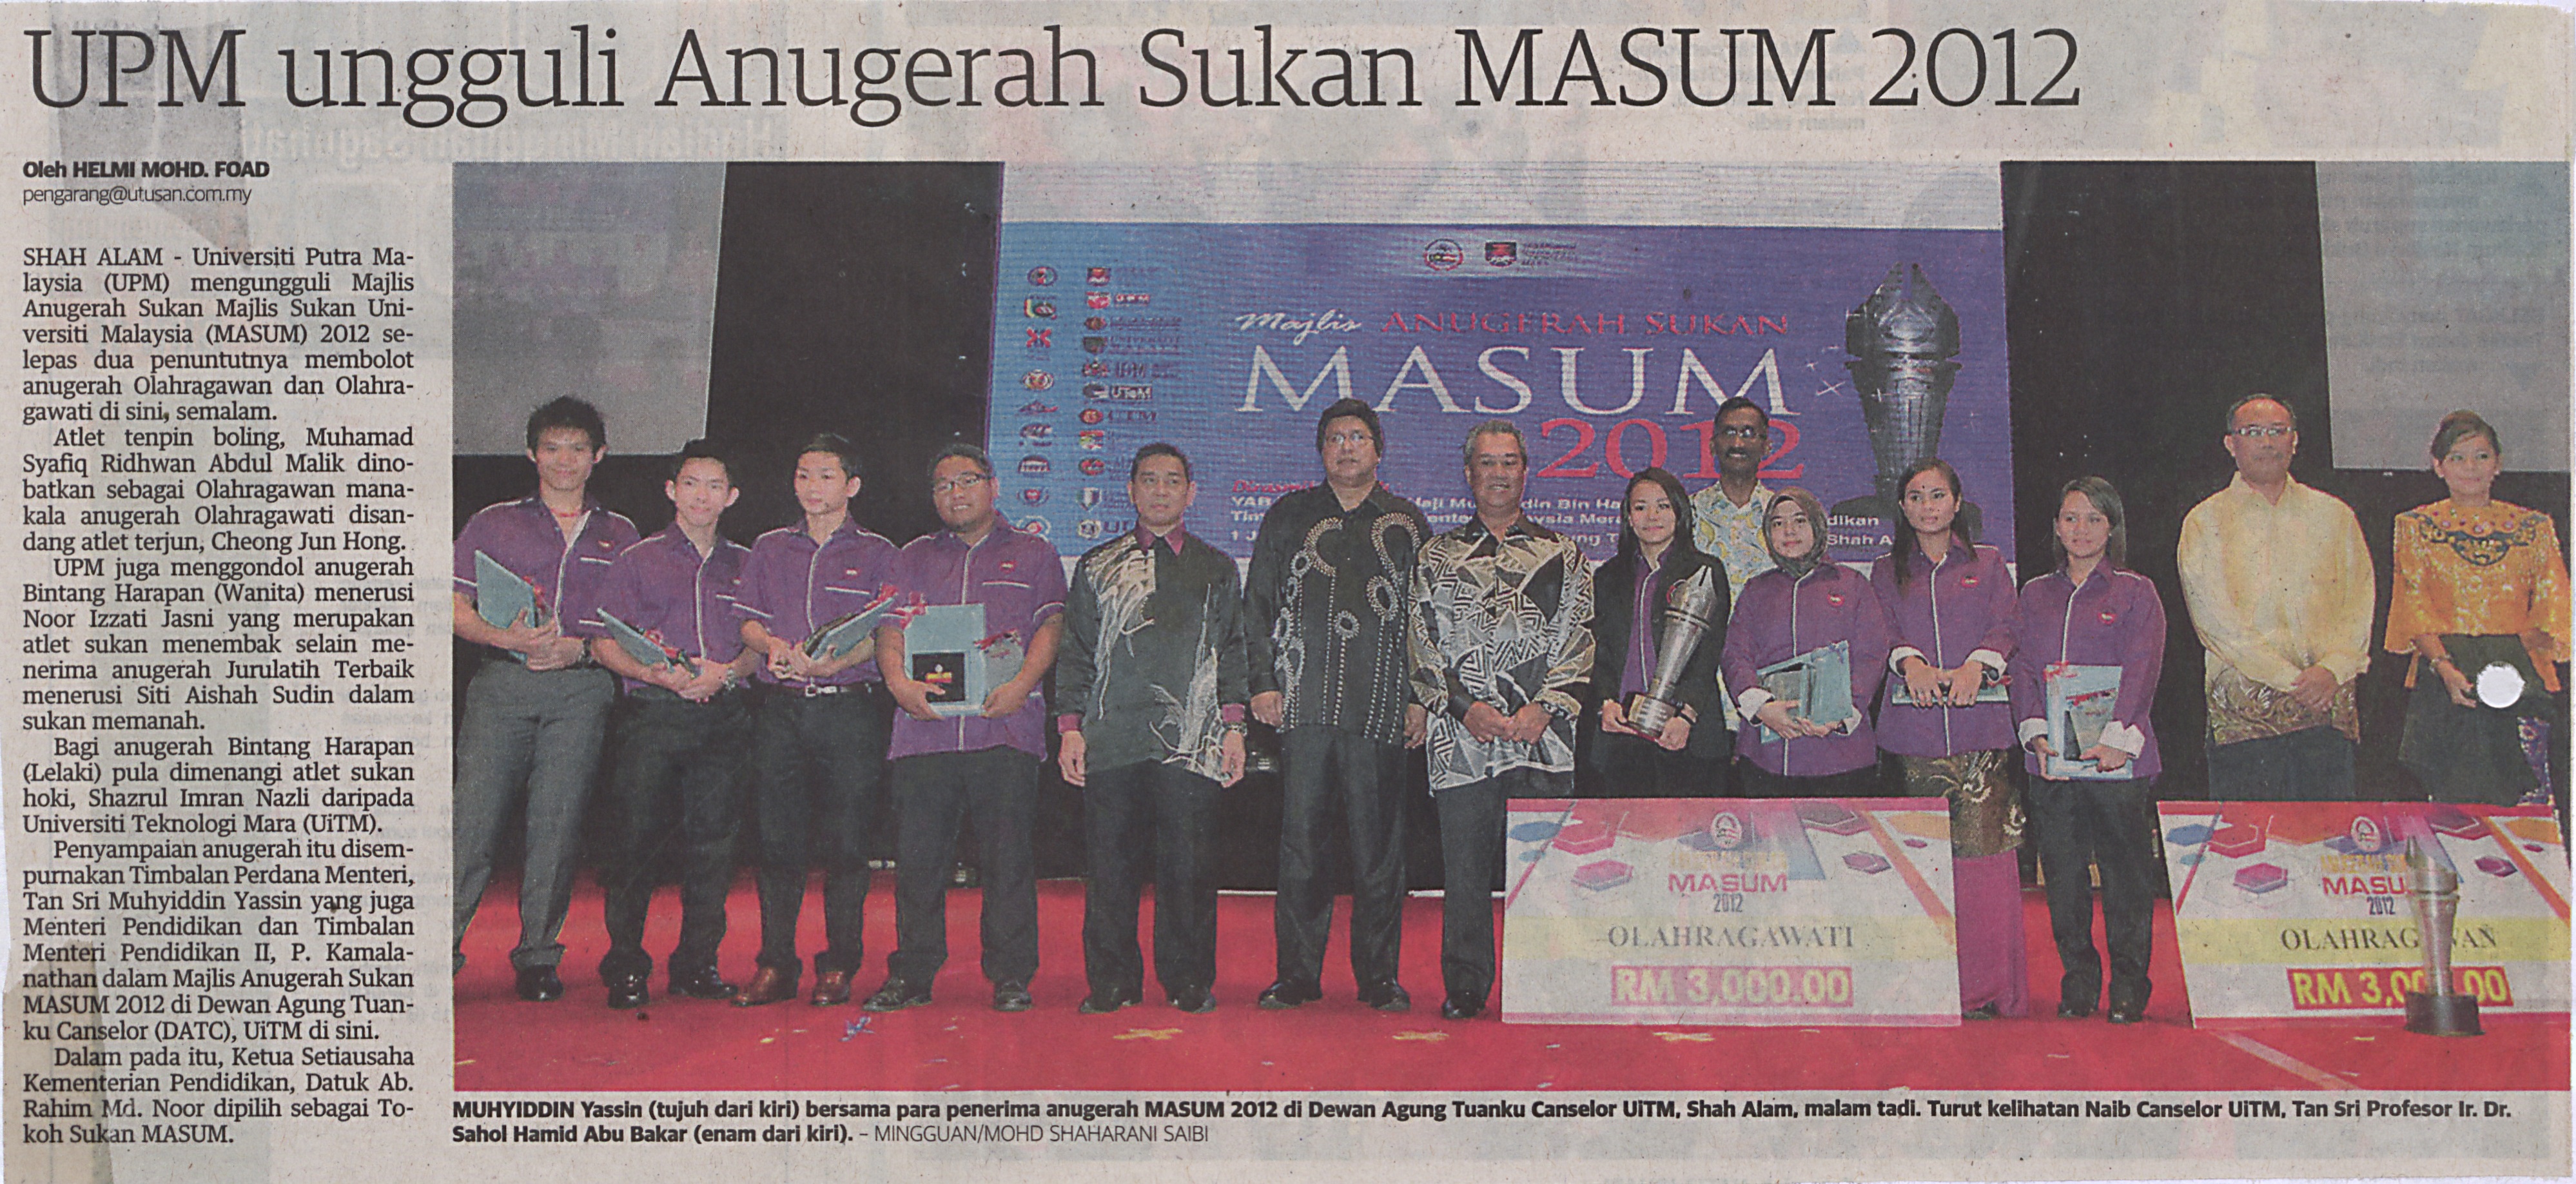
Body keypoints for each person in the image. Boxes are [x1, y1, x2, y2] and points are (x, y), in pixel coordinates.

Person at [1242, 398, 1430, 1013]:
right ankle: (1296, 976)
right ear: (1321, 451)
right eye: (1335, 439)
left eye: (1357, 437)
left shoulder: (1407, 522)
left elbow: (1424, 622)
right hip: (1303, 705)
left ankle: (1379, 978)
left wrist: (1420, 697)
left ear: (1379, 449)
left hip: (1381, 707)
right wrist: (1262, 683)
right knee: (1301, 846)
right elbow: (1257, 606)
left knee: (1380, 851)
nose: (1346, 448)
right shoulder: (1289, 515)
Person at [866, 444, 1066, 1014]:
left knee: (1008, 860)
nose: (955, 493)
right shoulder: (910, 557)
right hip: (924, 732)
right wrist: (899, 685)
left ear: (993, 486)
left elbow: (1051, 626)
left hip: (1003, 728)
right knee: (918, 863)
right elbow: (889, 630)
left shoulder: (1034, 553)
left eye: (967, 480)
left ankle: (1011, 975)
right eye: (943, 485)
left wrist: (1022, 685)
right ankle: (913, 973)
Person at [451, 397, 639, 1002]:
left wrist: (580, 649)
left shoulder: (621, 533)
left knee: (556, 826)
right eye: (553, 448)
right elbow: (453, 606)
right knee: (472, 824)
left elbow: (629, 626)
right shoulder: (492, 522)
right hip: (501, 686)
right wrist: (504, 637)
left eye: (578, 449)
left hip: (580, 689)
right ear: (532, 453)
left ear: (598, 456)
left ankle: (538, 955)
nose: (565, 460)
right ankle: (436, 952)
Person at [1409, 420, 1595, 1020]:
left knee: (1542, 870)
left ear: (1525, 471)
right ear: (1469, 474)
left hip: (1543, 739)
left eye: (1509, 461)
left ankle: (1545, 982)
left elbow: (1580, 639)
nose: (1498, 473)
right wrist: (1466, 709)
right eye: (1487, 462)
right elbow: (1420, 646)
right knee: (1464, 873)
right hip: (1460, 742)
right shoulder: (1435, 557)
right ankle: (1466, 987)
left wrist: (1545, 707)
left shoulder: (1563, 555)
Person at [1057, 444, 1249, 1014]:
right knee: (1110, 868)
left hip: (1192, 742)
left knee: (1189, 867)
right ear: (1131, 490)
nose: (1160, 491)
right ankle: (1112, 981)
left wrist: (1234, 727)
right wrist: (1070, 728)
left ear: (1191, 493)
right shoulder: (1097, 566)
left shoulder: (1217, 568)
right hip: (1112, 736)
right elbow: (1076, 651)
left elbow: (1233, 650)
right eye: (1149, 480)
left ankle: (1188, 980)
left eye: (1172, 481)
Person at [729, 434, 902, 1007]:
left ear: (852, 486)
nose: (811, 486)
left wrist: (839, 662)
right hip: (781, 712)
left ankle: (839, 965)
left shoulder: (879, 552)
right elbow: (747, 621)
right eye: (803, 475)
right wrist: (771, 645)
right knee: (777, 843)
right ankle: (776, 964)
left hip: (849, 710)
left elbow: (888, 630)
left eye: (826, 476)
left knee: (848, 845)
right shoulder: (769, 546)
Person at [589, 440, 760, 1009]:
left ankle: (696, 964)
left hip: (723, 715)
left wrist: (726, 674)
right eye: (691, 484)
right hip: (653, 717)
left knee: (714, 846)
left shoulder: (749, 564)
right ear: (671, 491)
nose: (701, 496)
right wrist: (655, 675)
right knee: (635, 844)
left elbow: (759, 645)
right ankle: (625, 967)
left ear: (731, 496)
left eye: (714, 486)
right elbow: (602, 640)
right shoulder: (636, 559)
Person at [1870, 459, 2025, 1019]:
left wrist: (1976, 668)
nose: (1928, 506)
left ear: (1957, 503)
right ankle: (1924, 986)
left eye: (1938, 495)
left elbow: (2007, 625)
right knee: (1917, 867)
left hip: (1981, 735)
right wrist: (1909, 663)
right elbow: (1881, 629)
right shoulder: (1884, 571)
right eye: (1916, 496)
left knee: (1984, 868)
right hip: (1910, 737)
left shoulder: (1989, 563)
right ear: (1903, 507)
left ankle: (1985, 991)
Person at [2011, 477, 2167, 1025]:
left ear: (2111, 527)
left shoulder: (2136, 592)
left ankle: (2129, 987)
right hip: (2051, 762)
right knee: (2063, 878)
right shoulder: (2034, 594)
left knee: (2127, 878)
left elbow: (2143, 667)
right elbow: (2022, 668)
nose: (2081, 529)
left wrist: (2116, 738)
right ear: (2056, 526)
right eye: (2071, 518)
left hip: (2118, 760)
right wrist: (2035, 732)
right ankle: (2078, 982)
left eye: (2094, 519)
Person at [2177, 395, 2374, 800]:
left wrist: (2331, 670)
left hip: (2326, 710)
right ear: (2231, 443)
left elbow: (2360, 604)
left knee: (2327, 836)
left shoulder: (2334, 515)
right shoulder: (2205, 521)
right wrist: (2292, 680)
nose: (2267, 442)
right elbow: (2216, 623)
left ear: (2294, 440)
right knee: (2250, 837)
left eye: (2277, 431)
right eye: (2252, 432)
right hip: (2244, 722)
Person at [2385, 410, 2572, 805]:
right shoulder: (2415, 526)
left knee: (2525, 809)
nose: (2470, 467)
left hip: (2519, 681)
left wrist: (2503, 660)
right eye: (2457, 457)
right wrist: (2447, 667)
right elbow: (2412, 606)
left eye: (2481, 456)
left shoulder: (2534, 527)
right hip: (2445, 679)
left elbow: (2556, 607)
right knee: (2453, 816)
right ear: (2438, 466)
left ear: (2498, 464)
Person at [1718, 489, 1892, 797]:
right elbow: (1735, 655)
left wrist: (1840, 713)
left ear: (1818, 526)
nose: (1789, 531)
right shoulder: (1757, 590)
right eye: (1777, 523)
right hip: (1766, 757)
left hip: (1840, 754)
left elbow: (1871, 655)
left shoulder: (1851, 584)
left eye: (1800, 521)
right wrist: (1762, 708)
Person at [1582, 468, 1729, 797]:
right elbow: (1598, 652)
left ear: (1679, 512)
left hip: (1686, 733)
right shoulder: (1607, 577)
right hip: (1621, 735)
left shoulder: (1705, 572)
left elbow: (1710, 654)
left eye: (1663, 506)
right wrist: (1605, 703)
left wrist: (1686, 716)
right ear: (1628, 517)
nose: (1652, 516)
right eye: (1641, 507)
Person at [1688, 396, 1777, 748]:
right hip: (1700, 692)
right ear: (1713, 444)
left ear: (1767, 446)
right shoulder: (1688, 514)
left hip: (1770, 689)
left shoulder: (1785, 516)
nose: (1738, 442)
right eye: (1729, 432)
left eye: (1749, 433)